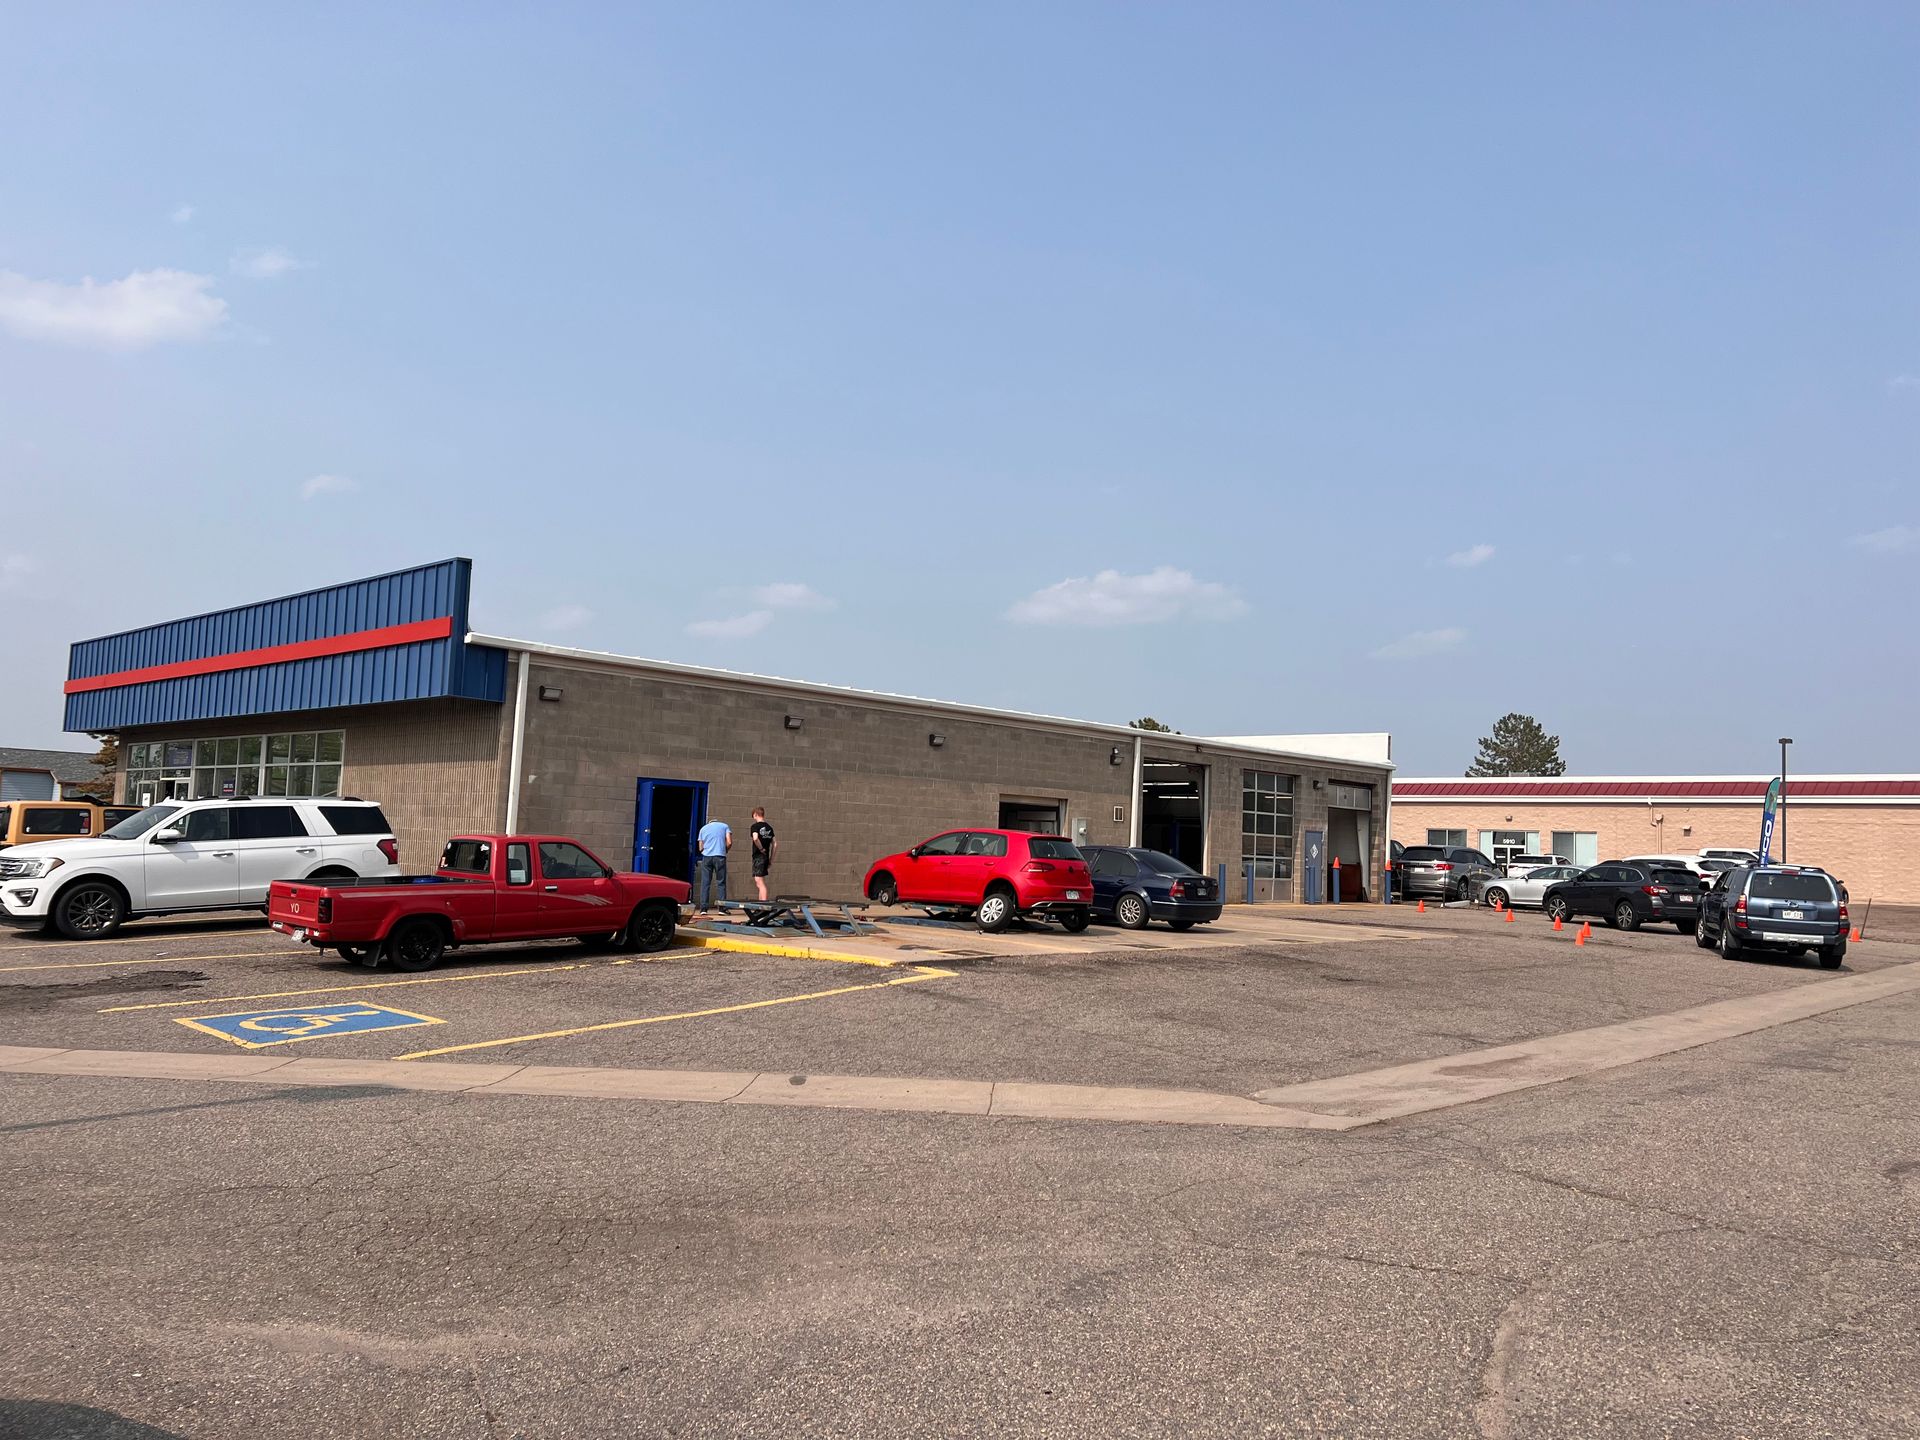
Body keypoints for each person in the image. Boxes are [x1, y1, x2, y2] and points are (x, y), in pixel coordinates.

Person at [694, 810, 732, 914]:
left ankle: (703, 909)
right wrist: (725, 850)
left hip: (707, 857)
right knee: (721, 882)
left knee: (705, 883)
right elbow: (729, 842)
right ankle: (722, 908)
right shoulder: (725, 826)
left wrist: (705, 851)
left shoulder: (703, 829)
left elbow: (700, 846)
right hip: (720, 856)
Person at [749, 807, 777, 902]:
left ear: (756, 814)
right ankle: (760, 904)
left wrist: (761, 849)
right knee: (759, 882)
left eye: (753, 816)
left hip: (758, 856)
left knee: (759, 882)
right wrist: (771, 860)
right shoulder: (769, 827)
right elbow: (775, 844)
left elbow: (755, 838)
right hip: (765, 857)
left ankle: (764, 905)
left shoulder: (755, 826)